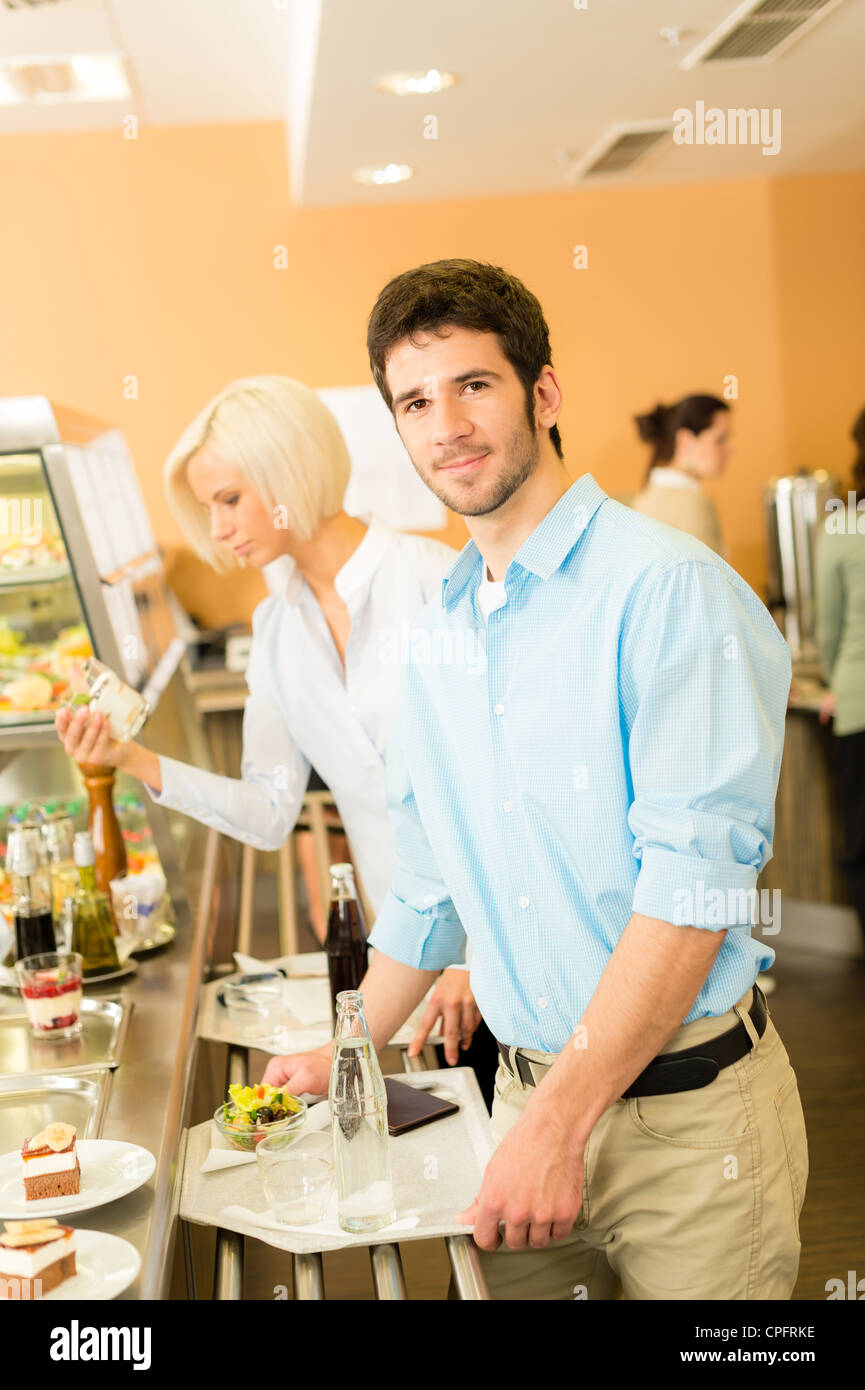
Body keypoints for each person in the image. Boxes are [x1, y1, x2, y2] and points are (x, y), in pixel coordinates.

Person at [264, 259, 808, 1300]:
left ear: (544, 393)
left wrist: (560, 1119)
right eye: (416, 402)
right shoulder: (442, 632)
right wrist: (339, 1047)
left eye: (474, 385)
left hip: (688, 1129)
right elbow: (429, 886)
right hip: (520, 1109)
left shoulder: (669, 592)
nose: (446, 425)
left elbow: (688, 897)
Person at [53, 375, 487, 1073]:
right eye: (208, 506)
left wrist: (478, 956)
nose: (218, 528)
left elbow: (504, 789)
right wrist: (131, 759)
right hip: (403, 969)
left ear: (289, 472)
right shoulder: (276, 628)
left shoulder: (440, 583)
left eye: (229, 499)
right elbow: (267, 810)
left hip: (504, 958)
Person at [816, 405, 865, 945]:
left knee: (861, 842)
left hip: (857, 703)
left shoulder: (845, 524)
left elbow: (828, 627)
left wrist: (837, 681)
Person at [628, 395, 731, 556]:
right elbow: (710, 580)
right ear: (685, 440)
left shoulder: (644, 498)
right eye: (720, 439)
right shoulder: (693, 503)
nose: (729, 450)